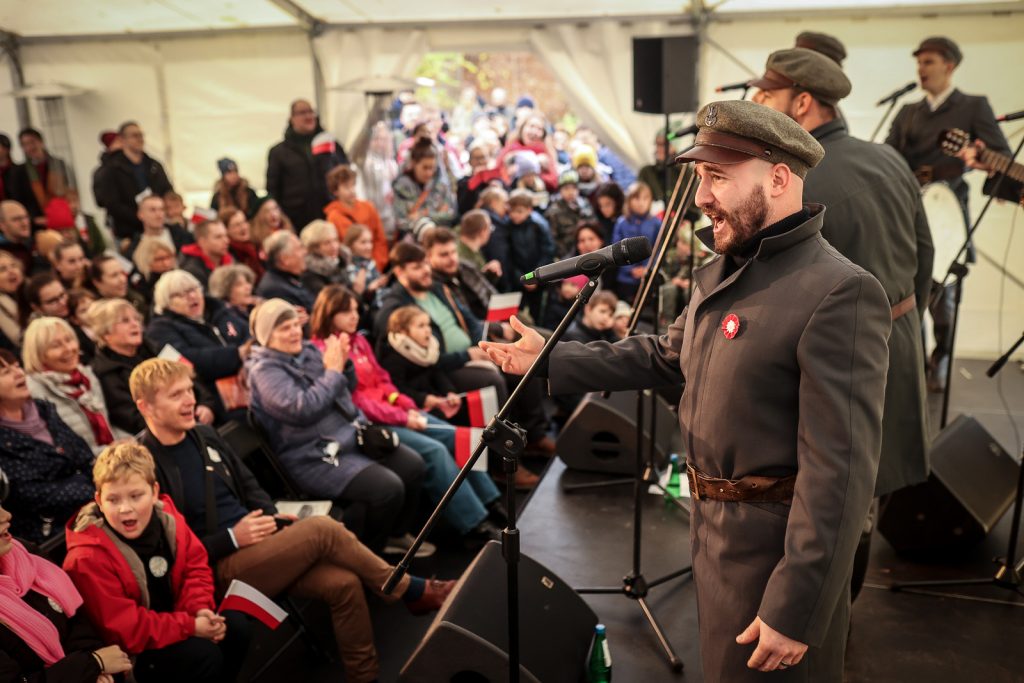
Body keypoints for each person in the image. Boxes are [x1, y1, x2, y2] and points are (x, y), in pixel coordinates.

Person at [481, 100, 891, 681]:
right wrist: (551, 357)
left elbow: (842, 471)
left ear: (779, 178)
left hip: (771, 556)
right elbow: (668, 355)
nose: (701, 197)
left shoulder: (839, 291)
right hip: (712, 535)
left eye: (718, 176)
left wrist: (797, 603)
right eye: (701, 177)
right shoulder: (724, 269)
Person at [130, 358, 454, 683]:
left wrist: (272, 517)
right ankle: (409, 589)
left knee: (344, 584)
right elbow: (169, 553)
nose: (191, 401)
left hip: (259, 543)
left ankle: (364, 677)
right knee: (322, 529)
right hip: (215, 569)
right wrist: (232, 537)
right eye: (176, 395)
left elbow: (249, 485)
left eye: (189, 390)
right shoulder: (146, 465)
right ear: (145, 406)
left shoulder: (203, 434)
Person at [750, 47, 934, 591]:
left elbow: (770, 296)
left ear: (803, 103)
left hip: (829, 369)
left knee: (819, 508)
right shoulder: (889, 158)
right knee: (860, 505)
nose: (758, 103)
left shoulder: (798, 183)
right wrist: (899, 327)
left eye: (768, 95)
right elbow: (923, 258)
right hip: (894, 347)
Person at [310, 286, 505, 543]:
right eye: (346, 311)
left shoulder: (358, 340)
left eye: (356, 310)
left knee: (456, 435)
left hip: (393, 411)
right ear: (329, 313)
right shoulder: (323, 349)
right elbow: (355, 400)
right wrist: (402, 417)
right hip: (371, 423)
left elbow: (382, 380)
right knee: (435, 451)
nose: (354, 316)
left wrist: (403, 403)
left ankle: (490, 501)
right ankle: (473, 524)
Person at [245, 299, 427, 552]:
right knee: (388, 488)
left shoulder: (307, 351)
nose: (295, 332)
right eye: (284, 328)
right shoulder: (264, 372)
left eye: (295, 325)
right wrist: (333, 370)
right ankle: (368, 555)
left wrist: (345, 362)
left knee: (413, 466)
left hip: (351, 436)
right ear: (266, 336)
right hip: (313, 455)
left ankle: (394, 535)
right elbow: (302, 410)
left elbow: (346, 388)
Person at [63, 443, 252, 683]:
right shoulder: (87, 558)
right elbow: (126, 630)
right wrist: (190, 626)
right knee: (204, 656)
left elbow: (195, 568)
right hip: (134, 654)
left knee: (235, 627)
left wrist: (199, 609)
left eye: (136, 496)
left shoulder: (168, 520)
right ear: (99, 501)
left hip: (175, 622)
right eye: (113, 499)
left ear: (154, 492)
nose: (125, 508)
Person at [884, 36, 1011, 392]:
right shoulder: (908, 111)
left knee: (944, 291)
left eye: (928, 62)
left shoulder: (973, 106)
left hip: (950, 207)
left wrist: (981, 158)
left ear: (949, 66)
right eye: (919, 63)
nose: (920, 70)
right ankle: (916, 362)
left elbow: (1000, 153)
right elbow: (887, 156)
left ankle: (940, 361)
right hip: (910, 205)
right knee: (911, 287)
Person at [374, 242, 551, 479]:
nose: (426, 270)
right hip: (444, 368)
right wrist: (466, 355)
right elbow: (422, 361)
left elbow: (468, 319)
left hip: (470, 352)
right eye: (417, 267)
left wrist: (486, 341)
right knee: (491, 380)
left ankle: (535, 437)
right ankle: (502, 464)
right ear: (399, 272)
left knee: (526, 360)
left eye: (425, 263)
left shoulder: (437, 287)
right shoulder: (396, 308)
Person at [0, 492, 134, 683]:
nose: (6, 515)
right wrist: (92, 664)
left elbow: (76, 616)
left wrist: (99, 669)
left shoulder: (24, 552)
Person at [0, 349, 96, 544]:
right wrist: (94, 489)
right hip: (54, 534)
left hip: (94, 508)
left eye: (17, 366)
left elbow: (84, 455)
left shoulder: (45, 410)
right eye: (5, 372)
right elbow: (35, 494)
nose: (19, 373)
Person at [91, 298, 216, 434]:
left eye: (136, 319)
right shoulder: (107, 372)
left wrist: (206, 404)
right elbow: (133, 419)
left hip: (197, 420)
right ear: (105, 334)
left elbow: (191, 375)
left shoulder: (155, 347)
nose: (135, 324)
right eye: (125, 321)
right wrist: (178, 418)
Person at [145, 270, 251, 419]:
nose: (192, 297)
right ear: (166, 303)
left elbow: (250, 334)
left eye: (193, 289)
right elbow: (187, 361)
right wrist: (237, 354)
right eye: (180, 295)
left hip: (251, 378)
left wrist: (247, 361)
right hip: (217, 399)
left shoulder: (220, 309)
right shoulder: (160, 330)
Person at [23, 316, 124, 454]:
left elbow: (110, 426)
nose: (69, 349)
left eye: (69, 340)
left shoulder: (86, 376)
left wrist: (128, 441)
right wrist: (111, 452)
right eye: (56, 345)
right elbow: (62, 450)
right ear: (38, 355)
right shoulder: (34, 391)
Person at [266, 100, 347, 230]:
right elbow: (273, 190)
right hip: (297, 219)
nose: (308, 116)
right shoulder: (278, 152)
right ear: (292, 119)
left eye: (311, 111)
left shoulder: (332, 145)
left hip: (332, 213)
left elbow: (346, 176)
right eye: (302, 112)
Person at [92, 122, 174, 241]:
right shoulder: (111, 169)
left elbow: (167, 191)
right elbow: (112, 203)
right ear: (122, 139)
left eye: (141, 135)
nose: (140, 139)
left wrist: (161, 213)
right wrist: (142, 217)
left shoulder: (154, 165)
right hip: (129, 233)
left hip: (159, 230)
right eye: (134, 136)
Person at [491, 189, 555, 319]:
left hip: (539, 277)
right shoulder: (507, 226)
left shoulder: (539, 225)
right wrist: (521, 278)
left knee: (537, 311)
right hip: (519, 278)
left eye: (519, 211)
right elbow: (508, 257)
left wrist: (536, 277)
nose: (514, 215)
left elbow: (548, 251)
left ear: (529, 210)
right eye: (512, 211)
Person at [424, 225, 498, 324]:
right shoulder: (431, 285)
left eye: (454, 252)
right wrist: (498, 329)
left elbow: (494, 296)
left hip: (500, 321)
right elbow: (459, 323)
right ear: (428, 257)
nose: (452, 259)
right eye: (444, 255)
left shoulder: (467, 268)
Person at [324, 165, 389, 271]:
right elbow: (338, 247)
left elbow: (380, 238)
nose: (352, 190)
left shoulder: (368, 207)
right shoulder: (333, 216)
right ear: (335, 191)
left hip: (375, 265)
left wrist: (377, 264)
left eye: (353, 185)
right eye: (346, 187)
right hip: (352, 268)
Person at [393, 138, 456, 237]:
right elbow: (402, 222)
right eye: (425, 167)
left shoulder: (440, 186)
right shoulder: (402, 188)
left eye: (432, 168)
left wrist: (424, 214)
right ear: (414, 164)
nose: (429, 173)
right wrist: (437, 213)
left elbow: (450, 214)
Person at [611, 181, 660, 302]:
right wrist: (630, 269)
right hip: (625, 278)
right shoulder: (621, 222)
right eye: (637, 198)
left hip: (647, 276)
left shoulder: (656, 223)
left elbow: (658, 249)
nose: (641, 203)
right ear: (629, 200)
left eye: (645, 198)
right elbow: (615, 248)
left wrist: (647, 268)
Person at [15, 128, 73, 228]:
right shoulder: (19, 171)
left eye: (32, 142)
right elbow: (18, 199)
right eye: (24, 145)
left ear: (41, 142)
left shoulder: (58, 164)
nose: (29, 147)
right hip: (36, 223)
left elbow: (69, 190)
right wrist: (33, 219)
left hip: (62, 218)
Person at [255, 230, 316, 312]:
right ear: (285, 259)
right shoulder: (274, 290)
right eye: (299, 248)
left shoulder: (298, 278)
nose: (305, 252)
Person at [362, 121, 400, 242]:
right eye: (377, 139)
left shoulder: (391, 163)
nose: (381, 143)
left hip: (392, 214)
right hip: (375, 214)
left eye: (384, 139)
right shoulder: (367, 163)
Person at [125, 195, 194, 259]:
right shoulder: (134, 248)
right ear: (140, 214)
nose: (159, 214)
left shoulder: (183, 235)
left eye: (162, 209)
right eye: (152, 210)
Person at [545, 170, 595, 259]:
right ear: (560, 191)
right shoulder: (553, 212)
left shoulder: (585, 205)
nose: (571, 192)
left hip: (588, 252)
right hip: (566, 257)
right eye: (566, 188)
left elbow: (594, 229)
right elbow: (553, 240)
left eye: (574, 188)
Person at [179, 219, 233, 289]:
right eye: (218, 237)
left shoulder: (230, 261)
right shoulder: (193, 271)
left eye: (226, 236)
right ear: (202, 242)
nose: (226, 241)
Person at [455, 209, 502, 288]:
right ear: (483, 231)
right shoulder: (461, 256)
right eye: (490, 228)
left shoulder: (472, 248)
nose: (490, 232)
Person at [300, 219, 348, 294]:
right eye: (327, 243)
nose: (334, 246)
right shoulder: (310, 275)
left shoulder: (341, 262)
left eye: (335, 240)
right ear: (315, 248)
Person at [218, 207, 265, 282]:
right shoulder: (229, 254)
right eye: (237, 225)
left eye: (244, 222)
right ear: (226, 230)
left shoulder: (255, 245)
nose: (243, 228)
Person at [130, 235, 177, 306]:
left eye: (168, 257)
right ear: (146, 260)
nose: (166, 263)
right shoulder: (140, 281)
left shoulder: (176, 275)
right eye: (159, 259)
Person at [0, 200, 40, 276]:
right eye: (16, 219)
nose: (24, 223)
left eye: (26, 217)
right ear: (2, 225)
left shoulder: (36, 244)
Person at [0, 251, 24, 351]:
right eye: (2, 269)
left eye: (13, 266)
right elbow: (19, 340)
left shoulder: (33, 289)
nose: (12, 271)